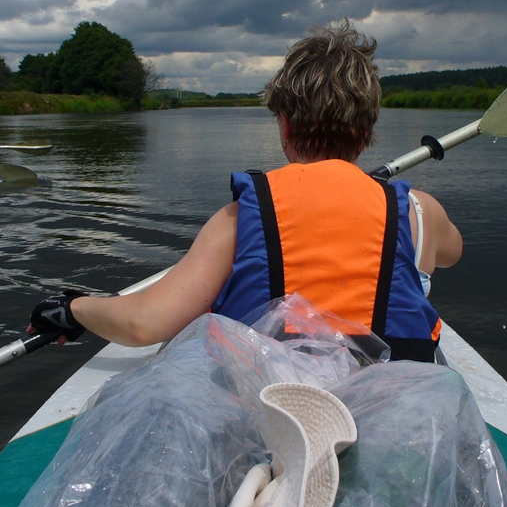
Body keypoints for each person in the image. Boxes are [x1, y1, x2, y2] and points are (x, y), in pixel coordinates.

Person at [28, 20, 463, 361]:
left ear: (285, 125)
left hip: (274, 414)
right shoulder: (419, 212)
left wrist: (74, 307)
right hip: (391, 411)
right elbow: (451, 253)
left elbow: (146, 324)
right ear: (367, 131)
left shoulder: (239, 219)